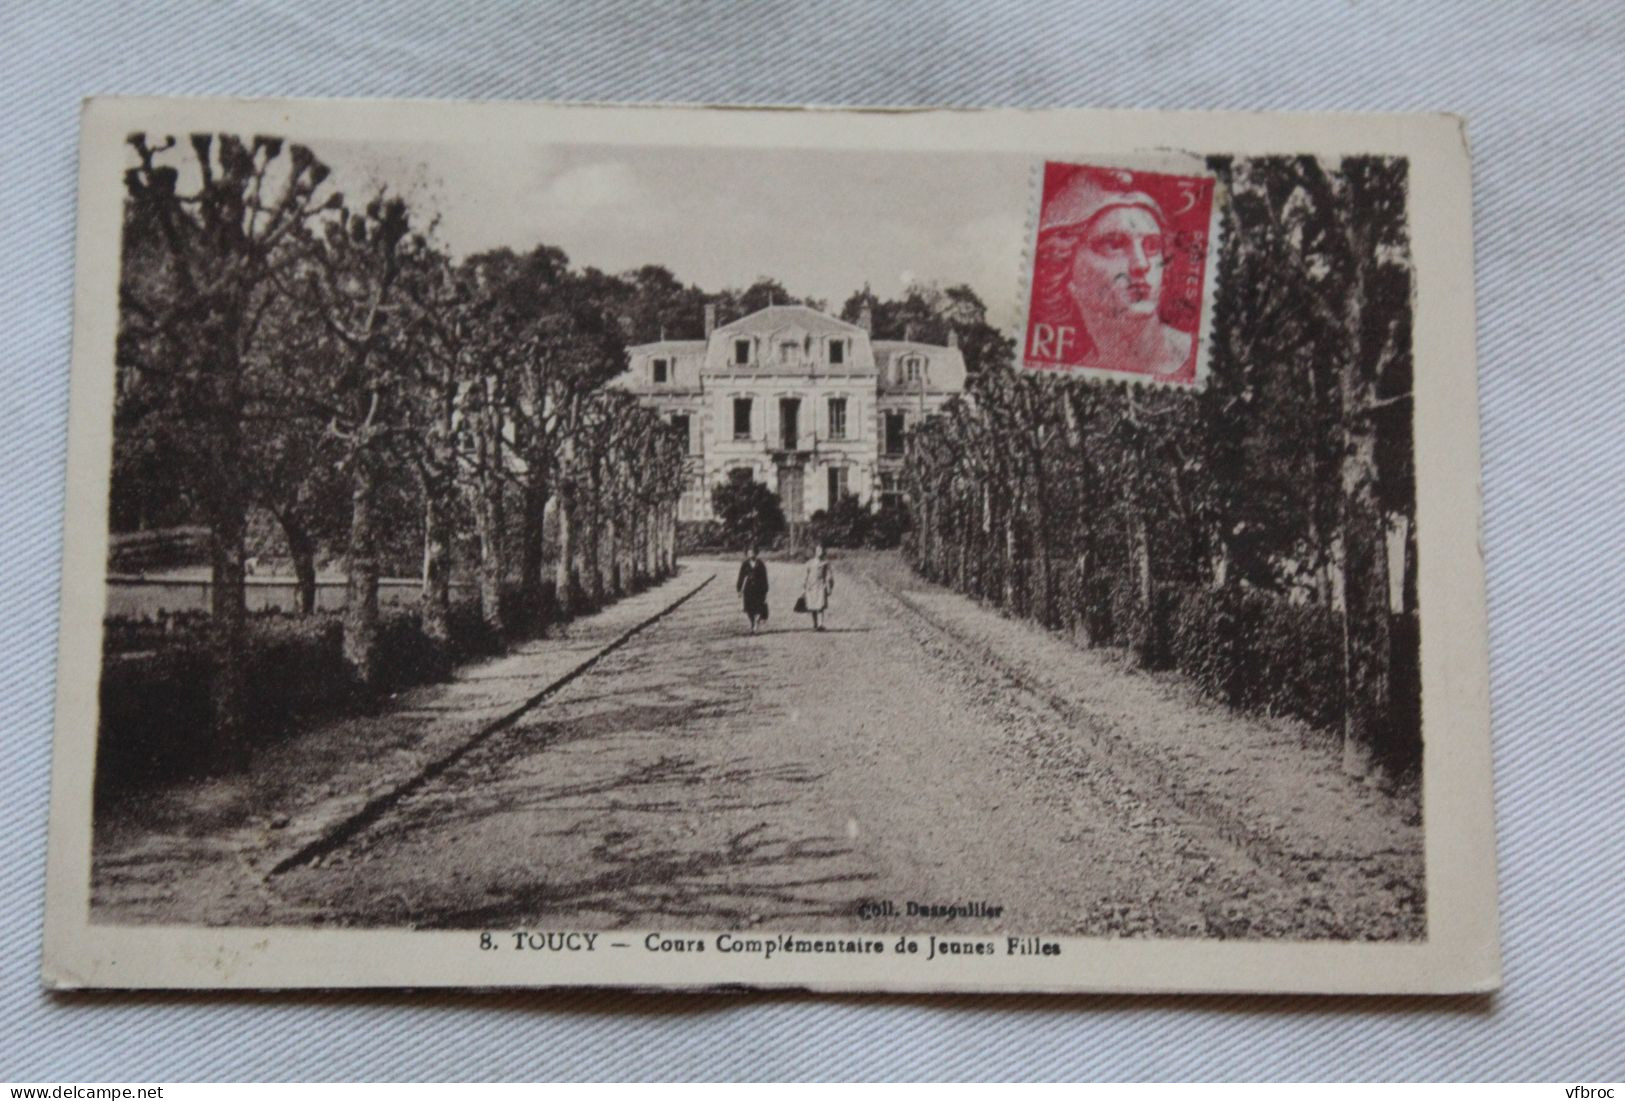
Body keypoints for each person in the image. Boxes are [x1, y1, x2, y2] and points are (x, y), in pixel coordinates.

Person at [1031, 167, 1195, 379]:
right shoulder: (1074, 373)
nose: (1141, 264)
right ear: (1062, 267)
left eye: (1152, 246)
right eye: (1114, 245)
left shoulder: (1197, 356)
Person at [736, 545, 769, 634]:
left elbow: (764, 577)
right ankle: (752, 623)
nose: (751, 554)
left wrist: (765, 589)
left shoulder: (760, 564)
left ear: (756, 553)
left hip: (758, 589)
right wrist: (739, 589)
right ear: (747, 554)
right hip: (748, 589)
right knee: (749, 609)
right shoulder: (745, 564)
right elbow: (741, 577)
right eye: (749, 552)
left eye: (752, 552)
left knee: (758, 608)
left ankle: (756, 626)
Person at [801, 542, 834, 631]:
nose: (820, 552)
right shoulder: (809, 563)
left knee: (820, 605)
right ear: (815, 552)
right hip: (811, 586)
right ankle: (815, 624)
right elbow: (805, 575)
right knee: (812, 606)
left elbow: (829, 575)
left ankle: (820, 624)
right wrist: (804, 587)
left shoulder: (825, 563)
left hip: (821, 586)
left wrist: (829, 587)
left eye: (822, 550)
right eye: (818, 550)